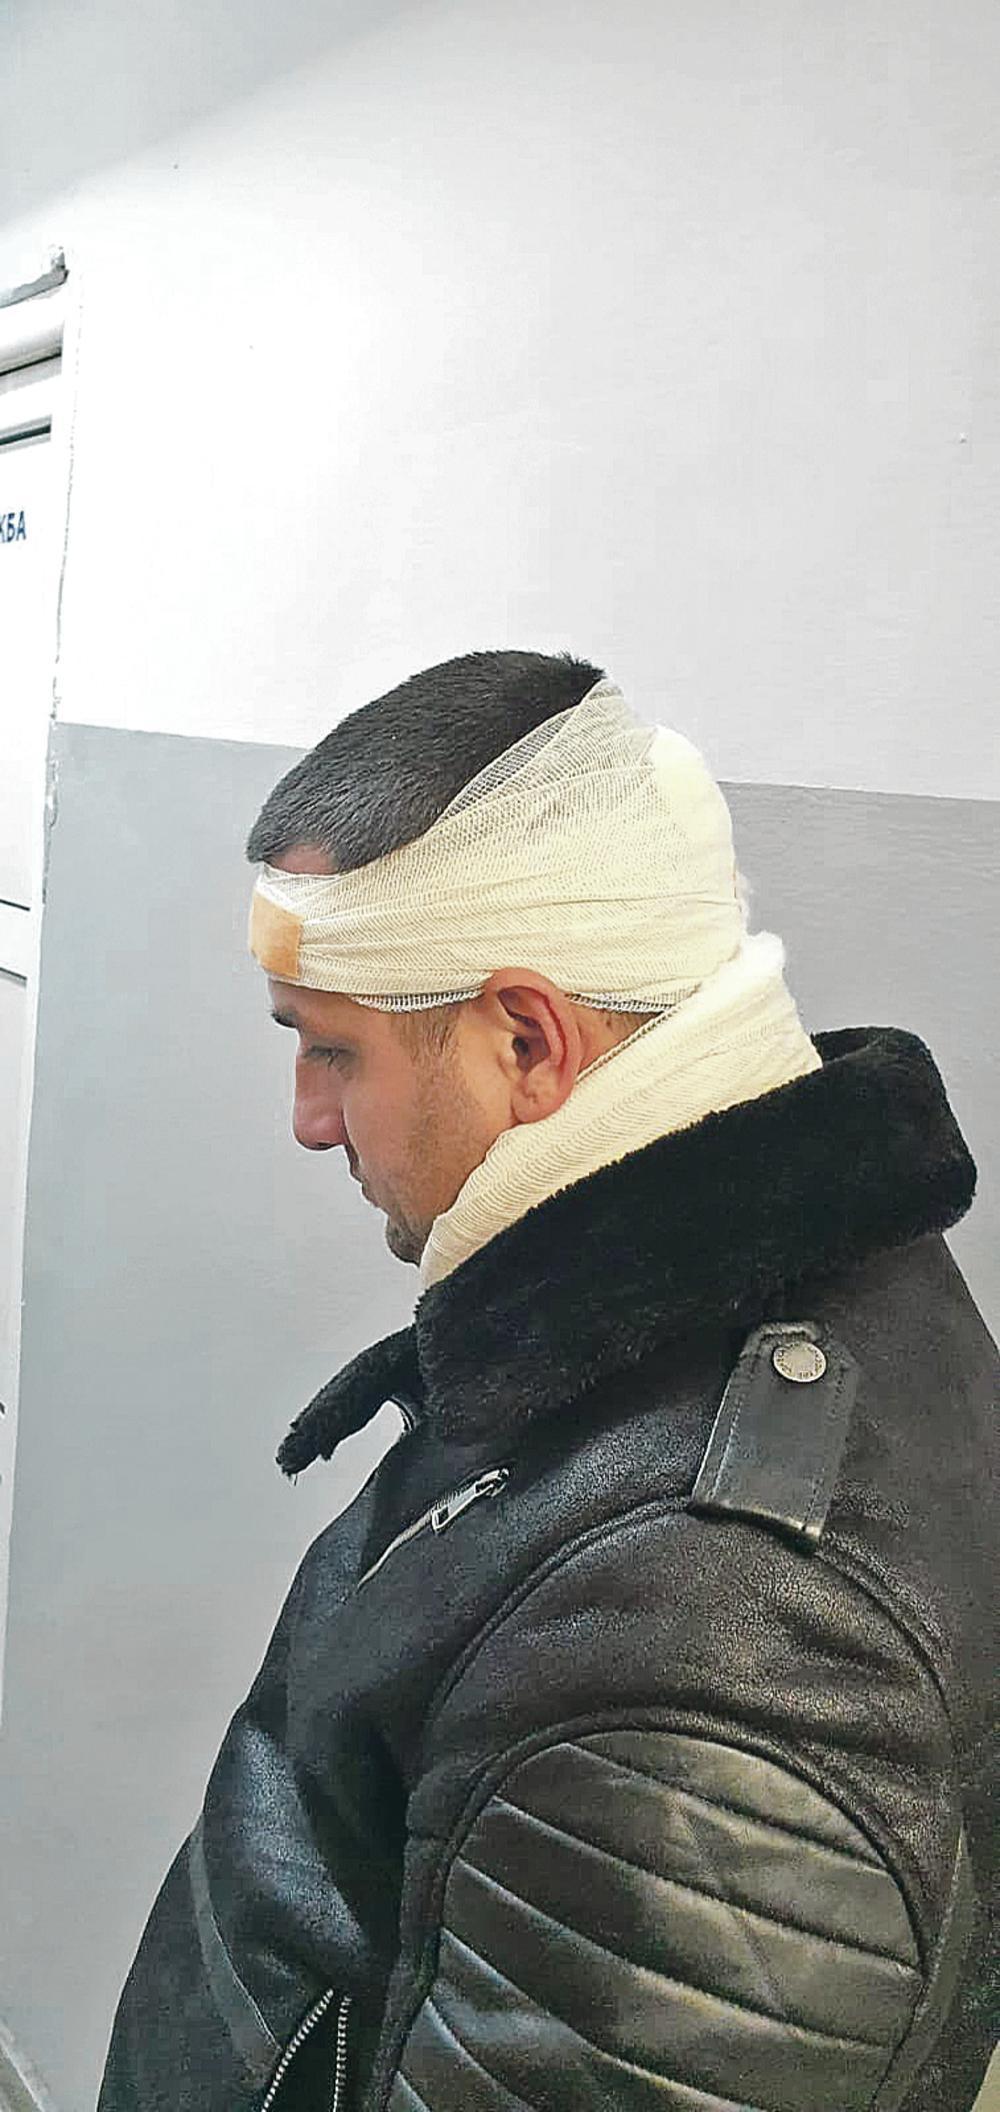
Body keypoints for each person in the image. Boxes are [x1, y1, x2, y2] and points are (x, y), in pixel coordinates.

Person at [98, 650, 998, 2111]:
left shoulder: (715, 1629)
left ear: (528, 1040)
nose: (310, 1121)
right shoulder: (700, 1318)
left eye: (334, 1053)